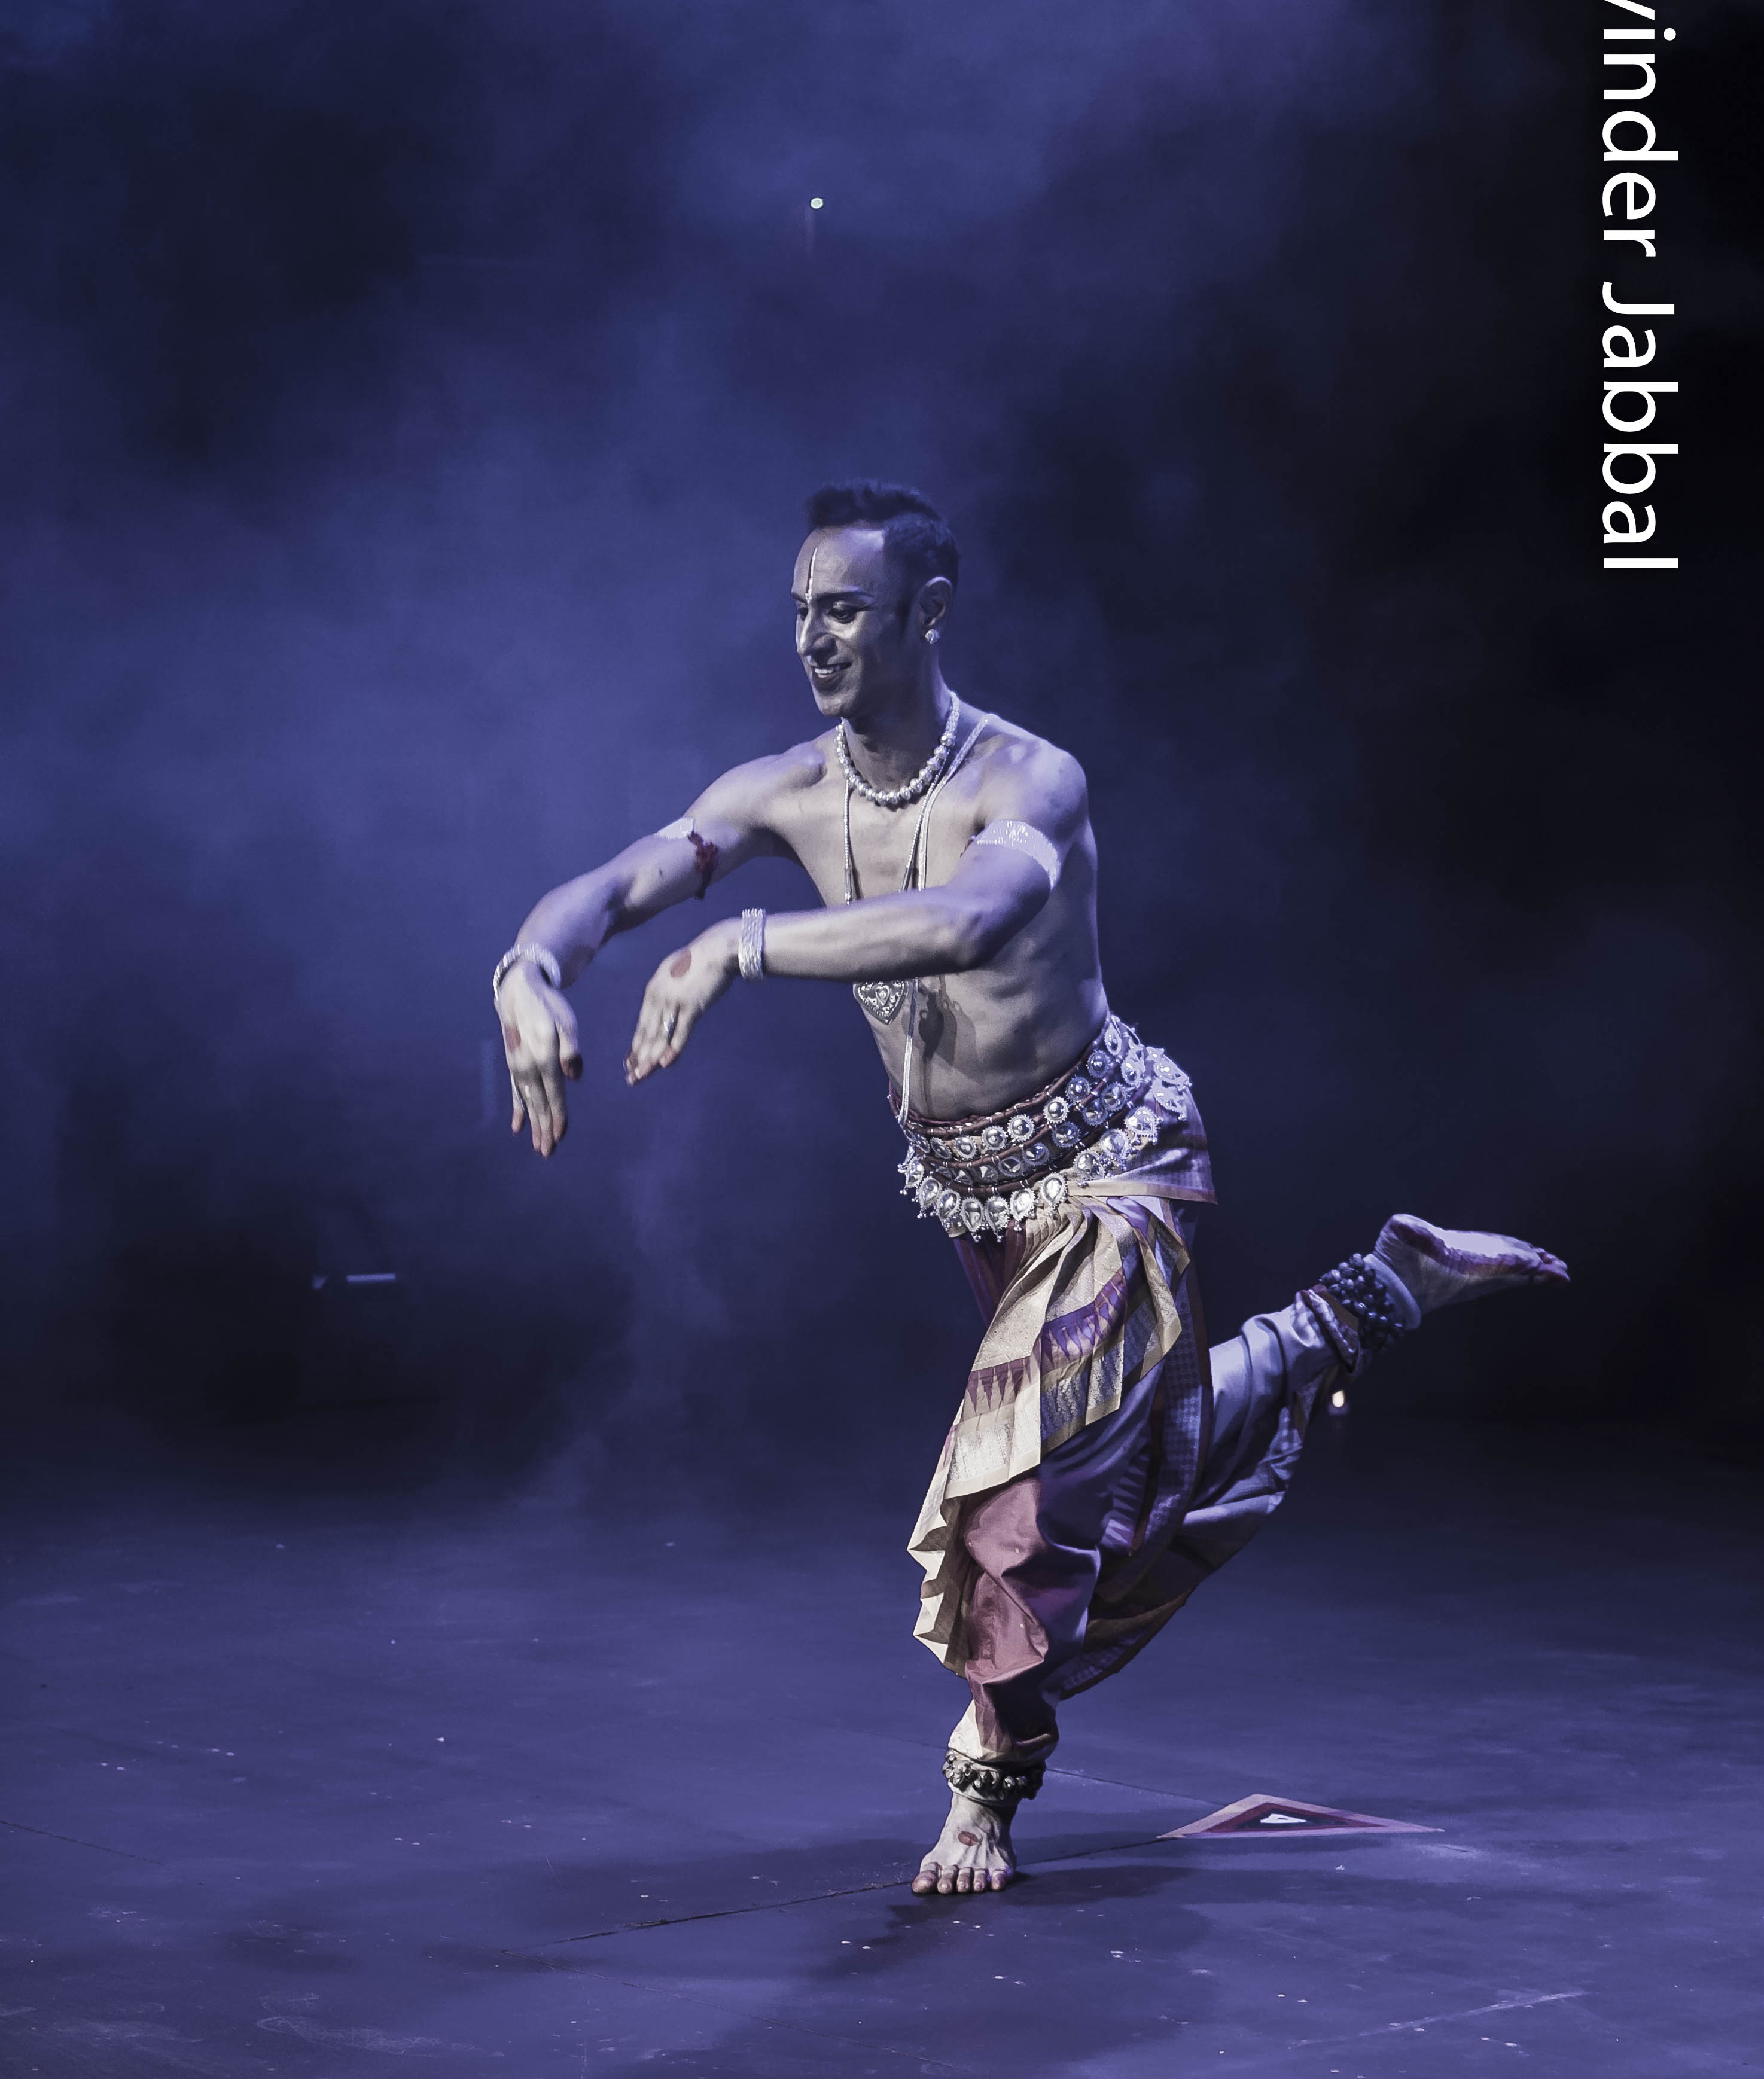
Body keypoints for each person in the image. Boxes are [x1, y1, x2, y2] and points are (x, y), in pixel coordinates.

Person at [492, 481, 1568, 1900]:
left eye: (846, 610)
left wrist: (743, 945)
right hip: (975, 1197)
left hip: (1116, 1169)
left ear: (926, 613)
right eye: (801, 610)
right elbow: (624, 883)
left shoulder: (1026, 779)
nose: (814, 639)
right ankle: (1377, 1293)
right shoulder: (782, 794)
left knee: (1010, 1499)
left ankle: (987, 1789)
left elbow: (971, 921)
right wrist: (528, 968)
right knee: (1135, 1495)